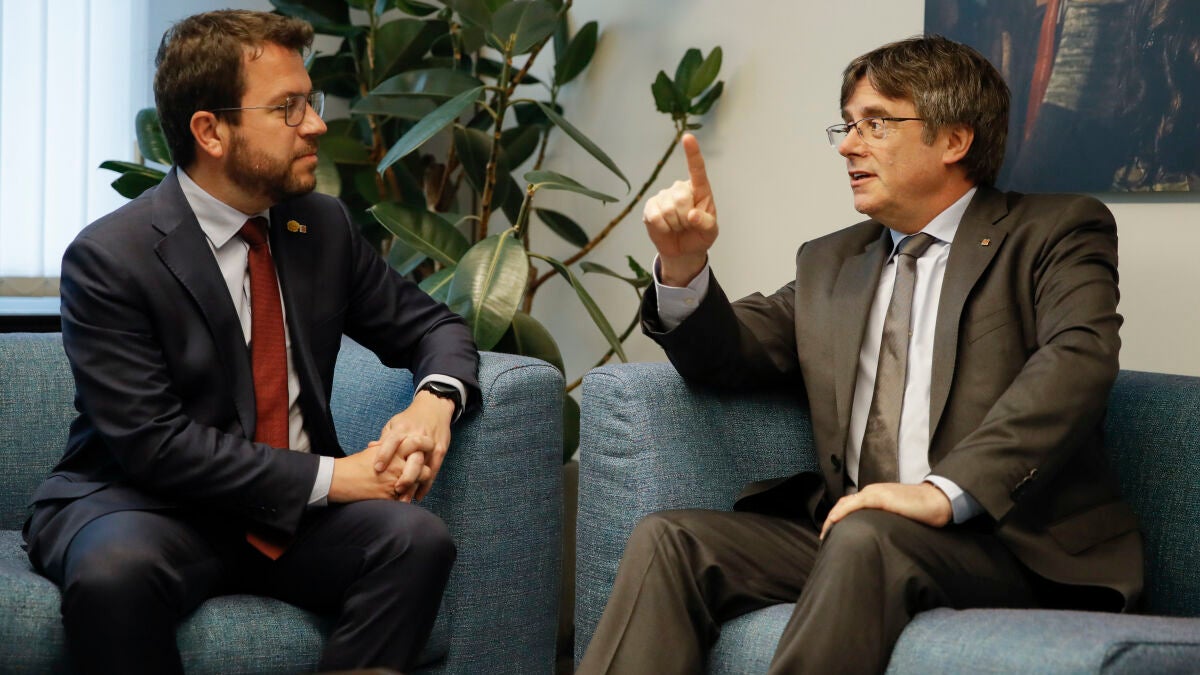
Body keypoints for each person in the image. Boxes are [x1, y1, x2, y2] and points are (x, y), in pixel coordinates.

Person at [578, 35, 1142, 674]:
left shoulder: (1055, 231)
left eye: (875, 123)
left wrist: (943, 491)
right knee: (671, 539)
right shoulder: (834, 261)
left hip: (1008, 543)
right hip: (856, 533)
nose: (848, 145)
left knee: (867, 536)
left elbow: (1078, 358)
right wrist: (683, 267)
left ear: (954, 140)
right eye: (847, 125)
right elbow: (728, 354)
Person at [22, 10, 479, 674]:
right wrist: (338, 477)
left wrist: (434, 402)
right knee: (115, 572)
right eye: (288, 108)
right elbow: (155, 444)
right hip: (149, 505)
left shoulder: (320, 227)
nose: (316, 125)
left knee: (416, 540)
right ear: (210, 131)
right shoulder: (111, 257)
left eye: (311, 102)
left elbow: (435, 326)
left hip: (290, 519)